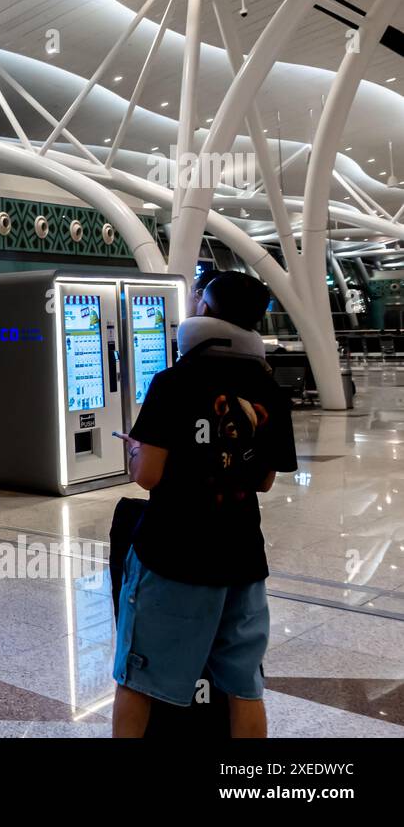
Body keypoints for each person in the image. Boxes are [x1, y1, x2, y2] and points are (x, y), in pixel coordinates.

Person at [112, 271, 297, 738]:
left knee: (137, 680)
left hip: (172, 555)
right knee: (244, 688)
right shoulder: (268, 387)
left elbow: (148, 475)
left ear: (209, 312)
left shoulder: (174, 382)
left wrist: (136, 449)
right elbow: (266, 480)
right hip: (242, 557)